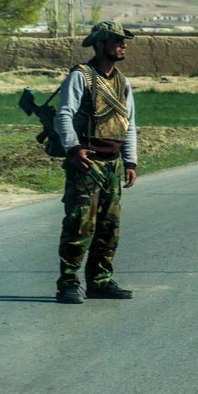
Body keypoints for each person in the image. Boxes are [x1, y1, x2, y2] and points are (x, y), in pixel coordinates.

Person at [54, 20, 137, 304]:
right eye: (116, 39)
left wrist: (130, 162)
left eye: (124, 40)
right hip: (87, 163)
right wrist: (74, 149)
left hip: (113, 164)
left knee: (108, 228)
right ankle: (68, 282)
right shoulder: (82, 76)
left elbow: (130, 125)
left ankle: (99, 282)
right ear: (100, 44)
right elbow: (63, 115)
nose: (123, 44)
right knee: (79, 225)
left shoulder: (123, 83)